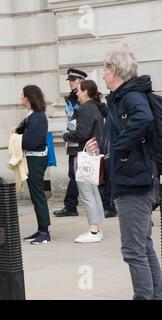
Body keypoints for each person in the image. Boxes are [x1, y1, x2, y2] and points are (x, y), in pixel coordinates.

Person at [86, 50, 162, 299]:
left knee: (133, 251)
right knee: (143, 246)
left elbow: (144, 118)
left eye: (105, 70)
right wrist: (104, 147)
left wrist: (118, 148)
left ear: (115, 71)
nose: (103, 76)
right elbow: (123, 132)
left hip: (134, 184)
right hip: (136, 180)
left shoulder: (130, 96)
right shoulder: (121, 98)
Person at [62, 80, 105, 243]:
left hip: (85, 155)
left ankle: (93, 231)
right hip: (93, 154)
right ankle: (97, 228)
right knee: (93, 193)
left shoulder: (86, 109)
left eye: (79, 90)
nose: (76, 93)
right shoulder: (95, 107)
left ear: (86, 92)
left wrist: (66, 135)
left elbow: (81, 133)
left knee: (87, 193)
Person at [13, 85, 51, 245]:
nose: (21, 98)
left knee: (38, 196)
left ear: (28, 98)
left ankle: (45, 232)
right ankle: (41, 229)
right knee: (36, 196)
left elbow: (30, 141)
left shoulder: (37, 117)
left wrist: (18, 137)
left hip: (36, 159)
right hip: (33, 158)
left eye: (22, 95)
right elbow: (23, 130)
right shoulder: (33, 116)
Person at [53, 68, 87, 217]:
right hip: (74, 139)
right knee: (73, 173)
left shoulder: (86, 98)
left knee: (83, 174)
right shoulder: (70, 98)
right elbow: (71, 120)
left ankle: (71, 205)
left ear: (81, 81)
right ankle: (71, 206)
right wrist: (68, 137)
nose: (71, 83)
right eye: (70, 80)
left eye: (74, 80)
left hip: (83, 140)